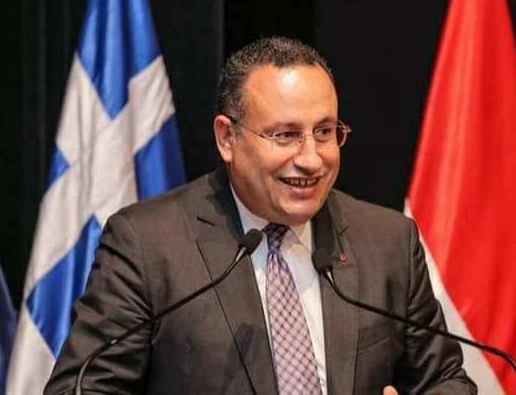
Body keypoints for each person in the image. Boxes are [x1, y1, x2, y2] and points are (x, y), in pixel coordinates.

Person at [45, 37, 476, 395]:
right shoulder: (148, 244)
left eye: (324, 132)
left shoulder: (388, 242)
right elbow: (81, 389)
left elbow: (446, 381)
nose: (312, 159)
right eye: (285, 135)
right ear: (227, 138)